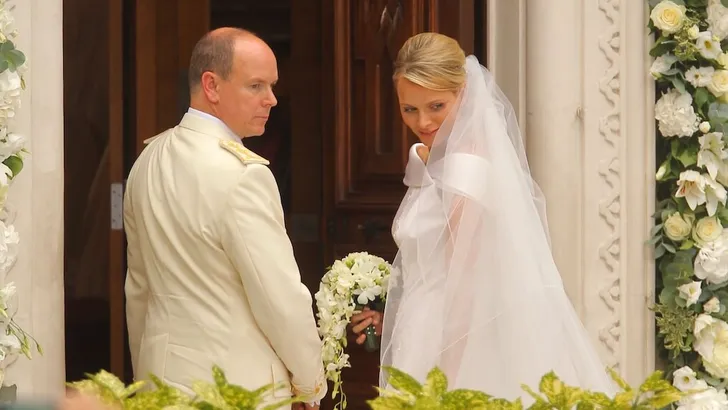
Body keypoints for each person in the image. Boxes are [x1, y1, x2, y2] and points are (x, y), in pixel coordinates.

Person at [349, 32, 617, 403]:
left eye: (436, 106)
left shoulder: (466, 168)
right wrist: (391, 314)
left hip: (455, 340)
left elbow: (467, 285)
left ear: (465, 94)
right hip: (427, 326)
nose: (422, 121)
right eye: (409, 109)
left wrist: (445, 383)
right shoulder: (443, 160)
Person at [123, 28, 325, 409]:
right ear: (211, 85)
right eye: (256, 86)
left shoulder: (147, 160)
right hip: (236, 388)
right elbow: (279, 297)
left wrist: (144, 374)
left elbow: (138, 291)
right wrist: (310, 381)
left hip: (159, 384)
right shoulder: (244, 174)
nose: (272, 99)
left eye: (272, 86)